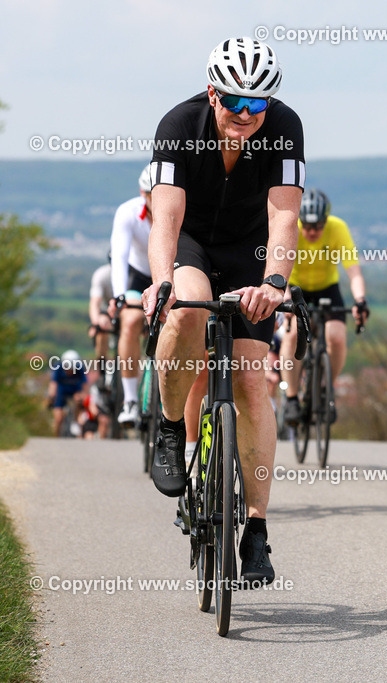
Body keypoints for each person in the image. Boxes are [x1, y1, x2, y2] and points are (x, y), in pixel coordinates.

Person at [142, 36, 305, 586]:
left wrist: (276, 281)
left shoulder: (284, 127)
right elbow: (165, 217)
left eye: (257, 105)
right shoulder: (178, 124)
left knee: (252, 380)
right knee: (185, 314)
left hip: (250, 252)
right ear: (213, 94)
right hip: (192, 245)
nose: (246, 114)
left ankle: (255, 528)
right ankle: (168, 427)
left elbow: (284, 217)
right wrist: (162, 281)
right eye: (234, 101)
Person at [280, 188, 369, 426]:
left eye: (317, 226)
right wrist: (287, 300)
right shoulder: (291, 229)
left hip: (327, 288)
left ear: (326, 221)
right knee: (291, 337)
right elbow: (280, 272)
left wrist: (360, 300)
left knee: (337, 337)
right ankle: (291, 399)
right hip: (296, 288)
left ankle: (324, 388)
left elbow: (354, 271)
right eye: (307, 226)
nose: (311, 232)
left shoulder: (338, 228)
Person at [110, 165, 155, 425]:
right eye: (151, 195)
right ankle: (130, 400)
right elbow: (120, 257)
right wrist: (119, 296)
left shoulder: (179, 207)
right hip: (138, 277)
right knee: (129, 322)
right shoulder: (128, 212)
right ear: (142, 193)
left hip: (170, 276)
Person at [48, 350, 88, 437]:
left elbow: (85, 385)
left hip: (75, 390)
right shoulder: (58, 367)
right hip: (61, 391)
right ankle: (56, 436)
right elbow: (53, 384)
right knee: (58, 418)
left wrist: (83, 397)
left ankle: (75, 421)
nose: (69, 370)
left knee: (78, 400)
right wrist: (51, 396)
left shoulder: (80, 368)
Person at [88, 259, 114, 360]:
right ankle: (102, 361)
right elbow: (95, 303)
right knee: (102, 325)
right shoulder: (102, 275)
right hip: (106, 310)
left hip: (127, 308)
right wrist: (95, 324)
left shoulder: (134, 273)